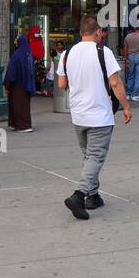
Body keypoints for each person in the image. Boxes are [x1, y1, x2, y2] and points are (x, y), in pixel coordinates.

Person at [57, 14, 132, 220]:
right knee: (96, 157)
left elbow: (61, 84)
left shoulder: (67, 53)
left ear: (81, 32)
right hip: (99, 114)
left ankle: (93, 196)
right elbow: (116, 83)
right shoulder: (103, 51)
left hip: (78, 114)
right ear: (97, 31)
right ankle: (78, 195)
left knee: (89, 157)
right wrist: (126, 106)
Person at [3, 32, 37, 132]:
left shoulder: (17, 55)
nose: (14, 42)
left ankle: (23, 126)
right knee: (23, 105)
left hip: (17, 84)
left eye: (16, 40)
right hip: (26, 84)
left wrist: (7, 84)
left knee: (18, 105)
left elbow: (12, 71)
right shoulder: (28, 53)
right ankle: (18, 124)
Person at [122, 25, 139, 101]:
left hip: (131, 57)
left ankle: (128, 94)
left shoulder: (128, 36)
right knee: (138, 77)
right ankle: (135, 95)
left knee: (130, 76)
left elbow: (125, 48)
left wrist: (126, 59)